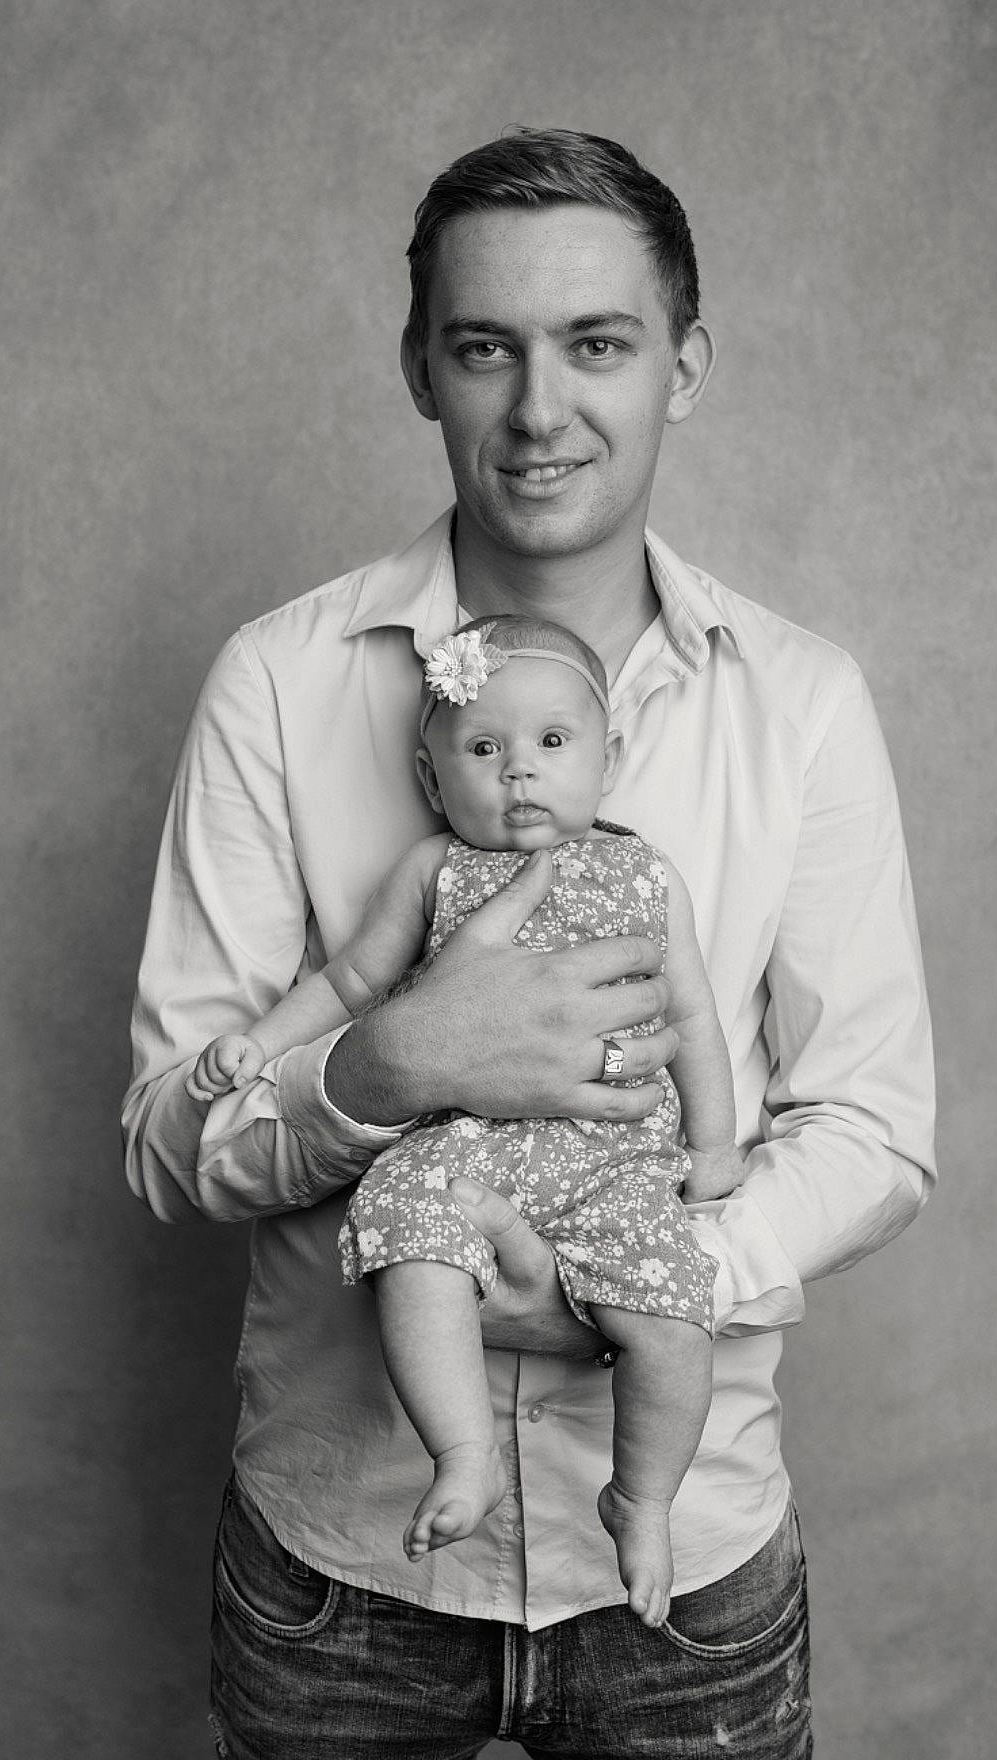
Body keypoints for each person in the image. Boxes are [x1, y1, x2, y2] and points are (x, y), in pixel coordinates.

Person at [124, 127, 936, 1759]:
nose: (539, 405)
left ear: (684, 366)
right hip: (338, 1581)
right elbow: (169, 1142)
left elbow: (870, 1128)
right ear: (420, 366)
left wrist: (637, 1283)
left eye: (597, 344)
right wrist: (382, 1068)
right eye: (485, 345)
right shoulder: (280, 684)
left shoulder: (799, 704)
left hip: (684, 1585)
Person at [188, 611, 745, 1628]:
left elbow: (695, 1017)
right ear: (433, 772)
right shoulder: (434, 869)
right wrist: (261, 1042)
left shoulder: (646, 874)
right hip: (464, 1139)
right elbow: (352, 976)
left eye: (552, 743)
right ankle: (465, 1450)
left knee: (675, 1314)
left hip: (613, 1158)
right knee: (415, 1240)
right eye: (485, 748)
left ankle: (647, 1496)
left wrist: (714, 1143)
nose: (520, 771)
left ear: (608, 758)